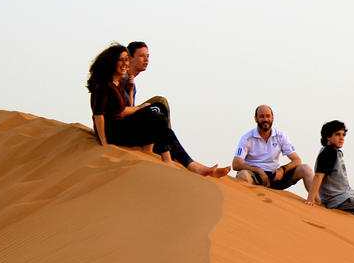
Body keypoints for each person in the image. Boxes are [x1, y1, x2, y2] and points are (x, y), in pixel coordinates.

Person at [86, 43, 229, 178]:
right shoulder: (105, 85)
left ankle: (192, 165)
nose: (125, 64)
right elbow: (101, 115)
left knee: (159, 114)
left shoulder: (118, 83)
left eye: (126, 60)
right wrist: (104, 142)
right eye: (121, 60)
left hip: (123, 128)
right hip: (116, 133)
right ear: (112, 62)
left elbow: (123, 107)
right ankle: (169, 159)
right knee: (158, 109)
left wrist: (131, 94)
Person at [232, 105, 314, 192]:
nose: (265, 119)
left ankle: (317, 202)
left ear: (273, 118)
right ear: (256, 119)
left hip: (275, 176)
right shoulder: (247, 138)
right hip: (255, 176)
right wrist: (259, 171)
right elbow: (236, 164)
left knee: (305, 169)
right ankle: (250, 202)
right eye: (262, 116)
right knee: (243, 175)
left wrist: (282, 169)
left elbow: (297, 160)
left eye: (268, 116)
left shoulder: (280, 136)